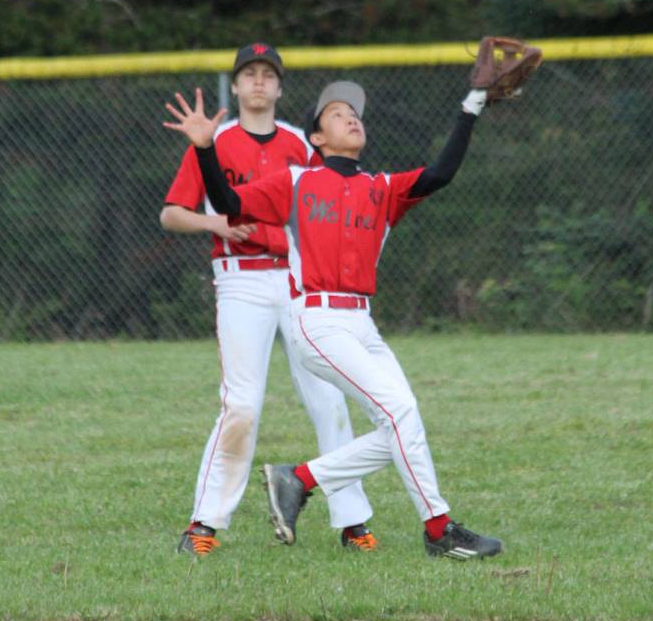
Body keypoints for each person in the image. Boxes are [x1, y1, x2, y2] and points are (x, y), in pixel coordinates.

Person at [163, 75, 504, 560]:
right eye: (337, 114)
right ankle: (439, 530)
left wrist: (470, 106)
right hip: (319, 322)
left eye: (356, 113)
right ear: (316, 139)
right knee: (400, 413)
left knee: (402, 426)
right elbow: (233, 203)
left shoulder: (381, 188)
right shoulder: (297, 181)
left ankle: (299, 479)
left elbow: (440, 173)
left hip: (363, 325)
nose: (351, 117)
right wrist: (203, 151)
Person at [160, 43, 376, 556]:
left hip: (301, 279)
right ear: (234, 87)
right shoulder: (215, 141)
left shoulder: (303, 144)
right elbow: (171, 213)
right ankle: (204, 525)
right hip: (242, 281)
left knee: (329, 395)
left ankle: (353, 523)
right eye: (248, 74)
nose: (258, 82)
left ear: (279, 88)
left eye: (268, 75)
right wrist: (214, 222)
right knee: (242, 404)